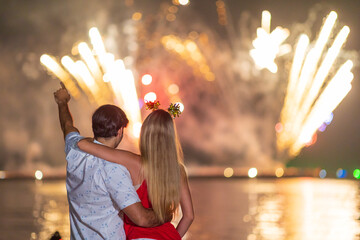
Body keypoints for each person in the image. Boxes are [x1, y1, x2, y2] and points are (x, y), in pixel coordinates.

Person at [53, 83, 162, 240]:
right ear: (119, 131)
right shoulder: (115, 169)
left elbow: (67, 125)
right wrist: (164, 214)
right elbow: (142, 218)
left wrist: (62, 102)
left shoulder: (74, 150)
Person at [77, 108, 194, 239]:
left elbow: (82, 144)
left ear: (145, 134)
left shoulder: (134, 162)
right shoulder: (178, 170)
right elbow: (189, 216)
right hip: (169, 235)